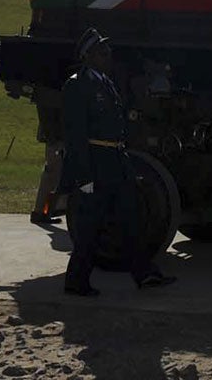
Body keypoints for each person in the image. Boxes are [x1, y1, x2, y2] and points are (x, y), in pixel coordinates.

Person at [60, 29, 174, 298]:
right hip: (95, 165)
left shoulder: (105, 82)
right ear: (87, 57)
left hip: (116, 161)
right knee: (90, 227)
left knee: (131, 220)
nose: (108, 55)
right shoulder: (78, 85)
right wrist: (83, 177)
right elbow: (75, 135)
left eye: (108, 51)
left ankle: (145, 274)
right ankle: (76, 281)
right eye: (101, 52)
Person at [29, 81, 66, 229]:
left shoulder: (43, 92)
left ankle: (43, 211)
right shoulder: (49, 94)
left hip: (53, 137)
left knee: (52, 171)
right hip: (55, 137)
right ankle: (43, 211)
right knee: (53, 172)